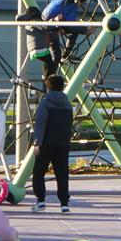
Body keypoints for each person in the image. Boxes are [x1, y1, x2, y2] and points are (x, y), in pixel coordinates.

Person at [31, 75, 74, 212]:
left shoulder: (46, 102)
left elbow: (41, 124)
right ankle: (64, 203)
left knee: (38, 172)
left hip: (46, 143)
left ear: (48, 87)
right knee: (62, 174)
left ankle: (41, 200)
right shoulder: (67, 104)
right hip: (62, 144)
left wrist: (37, 143)